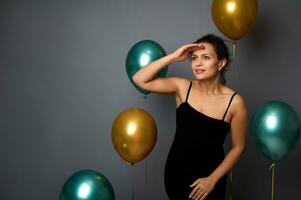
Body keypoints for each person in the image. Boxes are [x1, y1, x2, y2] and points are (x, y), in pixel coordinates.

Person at [132, 34, 248, 200]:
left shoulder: (235, 102)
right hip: (176, 176)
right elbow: (139, 79)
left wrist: (212, 180)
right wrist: (173, 57)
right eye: (194, 58)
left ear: (221, 63)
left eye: (206, 57)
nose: (198, 63)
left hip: (209, 182)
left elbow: (238, 147)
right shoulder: (182, 87)